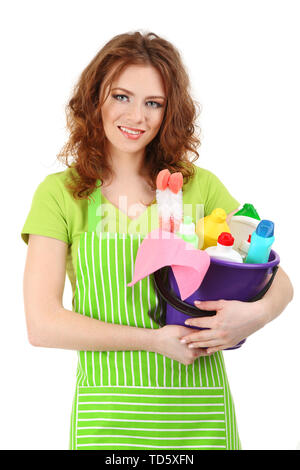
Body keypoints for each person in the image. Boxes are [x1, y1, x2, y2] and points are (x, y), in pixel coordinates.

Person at [21, 31, 293, 451]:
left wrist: (256, 316)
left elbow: (277, 278)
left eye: (154, 103)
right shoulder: (61, 193)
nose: (137, 116)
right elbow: (42, 324)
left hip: (201, 418)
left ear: (170, 112)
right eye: (121, 96)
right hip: (108, 422)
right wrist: (153, 341)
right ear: (95, 99)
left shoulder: (199, 187)